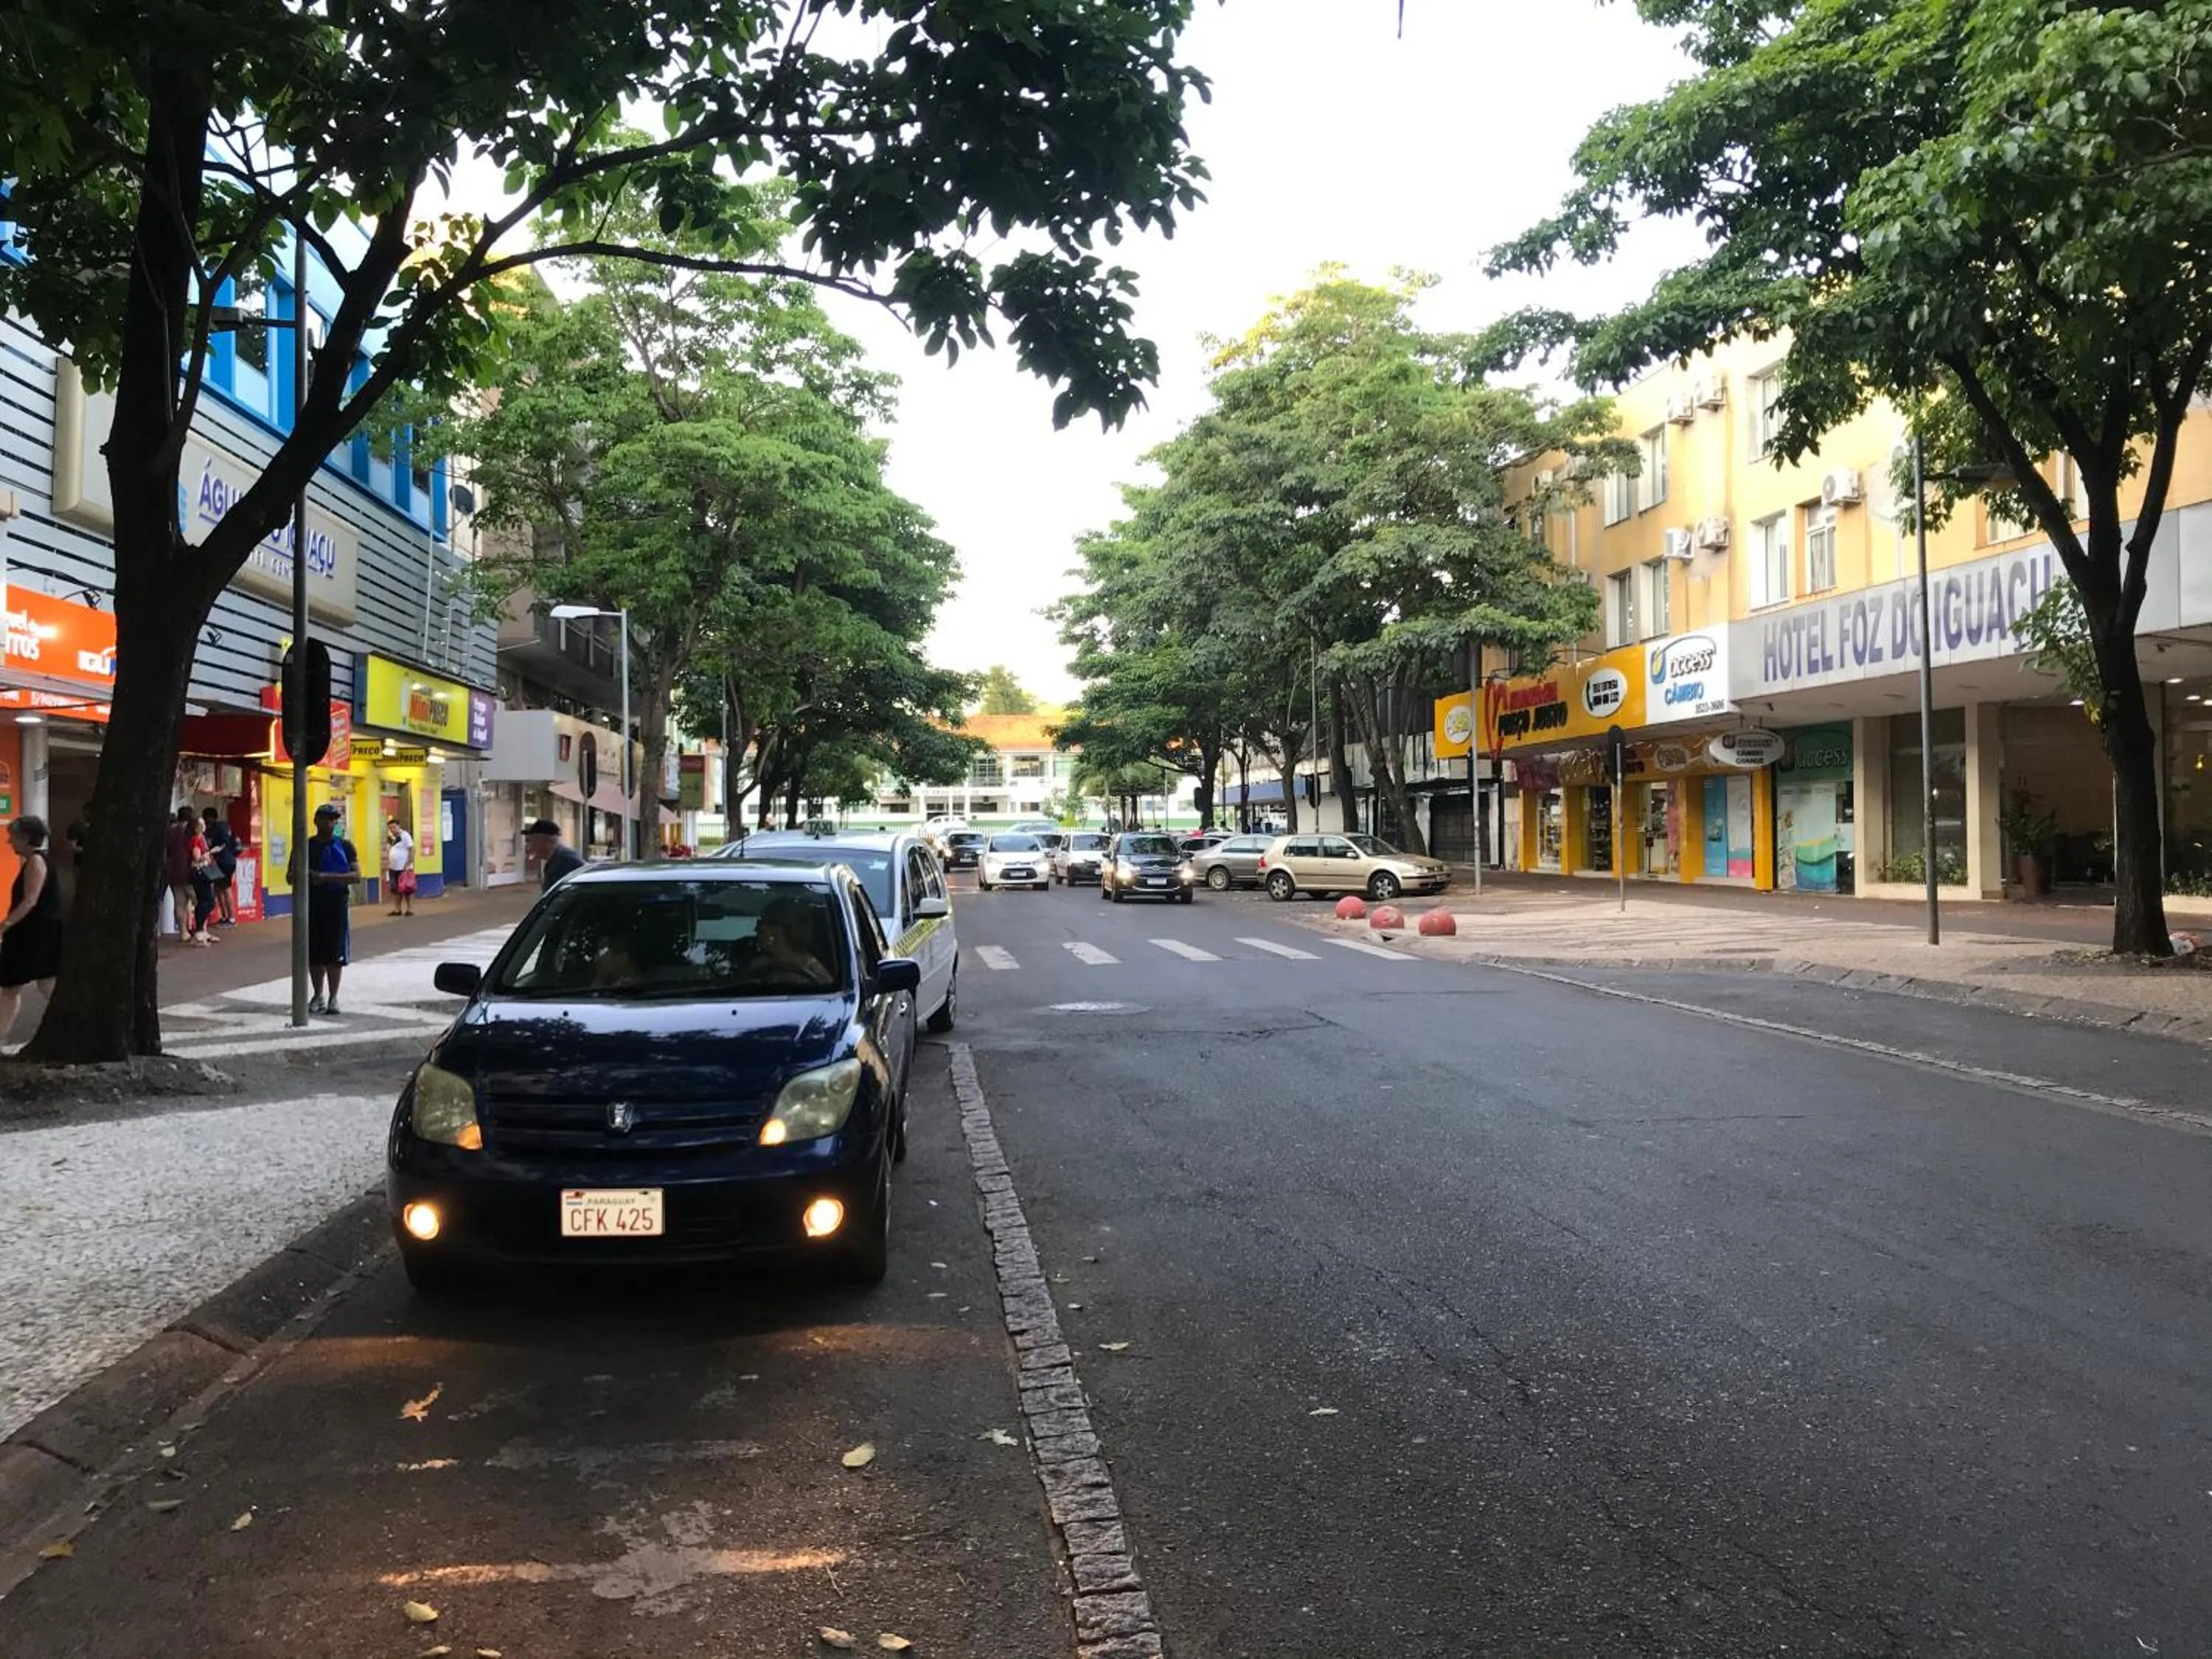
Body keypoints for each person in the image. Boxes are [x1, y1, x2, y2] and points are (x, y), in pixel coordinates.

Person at [0, 817, 64, 1046]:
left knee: (11, 986)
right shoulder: (43, 860)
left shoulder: (36, 862)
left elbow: (30, 901)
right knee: (43, 983)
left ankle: (1, 1034)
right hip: (43, 930)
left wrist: (5, 925)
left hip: (33, 933)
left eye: (13, 837)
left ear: (25, 838)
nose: (9, 842)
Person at [293, 803, 360, 1015]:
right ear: (315, 820)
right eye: (324, 818)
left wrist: (326, 877)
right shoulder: (305, 846)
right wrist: (304, 876)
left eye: (332, 819)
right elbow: (290, 875)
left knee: (334, 955)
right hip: (311, 905)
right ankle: (318, 995)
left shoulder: (346, 846)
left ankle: (333, 998)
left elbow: (357, 875)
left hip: (336, 906)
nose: (328, 822)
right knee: (314, 954)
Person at [164, 805, 203, 946]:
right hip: (190, 872)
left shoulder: (170, 832)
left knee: (179, 904)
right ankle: (200, 931)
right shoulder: (191, 832)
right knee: (200, 901)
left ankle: (183, 932)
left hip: (174, 873)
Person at [201, 806, 240, 926]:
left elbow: (221, 845)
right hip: (229, 860)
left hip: (224, 862)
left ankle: (231, 919)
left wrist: (210, 852)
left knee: (225, 889)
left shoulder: (216, 829)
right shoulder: (225, 826)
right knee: (219, 889)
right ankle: (225, 917)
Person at [524, 818, 585, 891]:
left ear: (542, 841)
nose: (528, 845)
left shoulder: (567, 861)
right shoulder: (554, 859)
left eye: (531, 840)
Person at [385, 819, 416, 916]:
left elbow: (412, 849)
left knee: (407, 889)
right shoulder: (392, 838)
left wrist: (408, 864)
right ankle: (397, 909)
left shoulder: (405, 836)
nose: (392, 830)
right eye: (390, 828)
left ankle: (409, 909)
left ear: (399, 826)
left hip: (404, 868)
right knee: (395, 889)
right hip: (393, 868)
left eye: (394, 827)